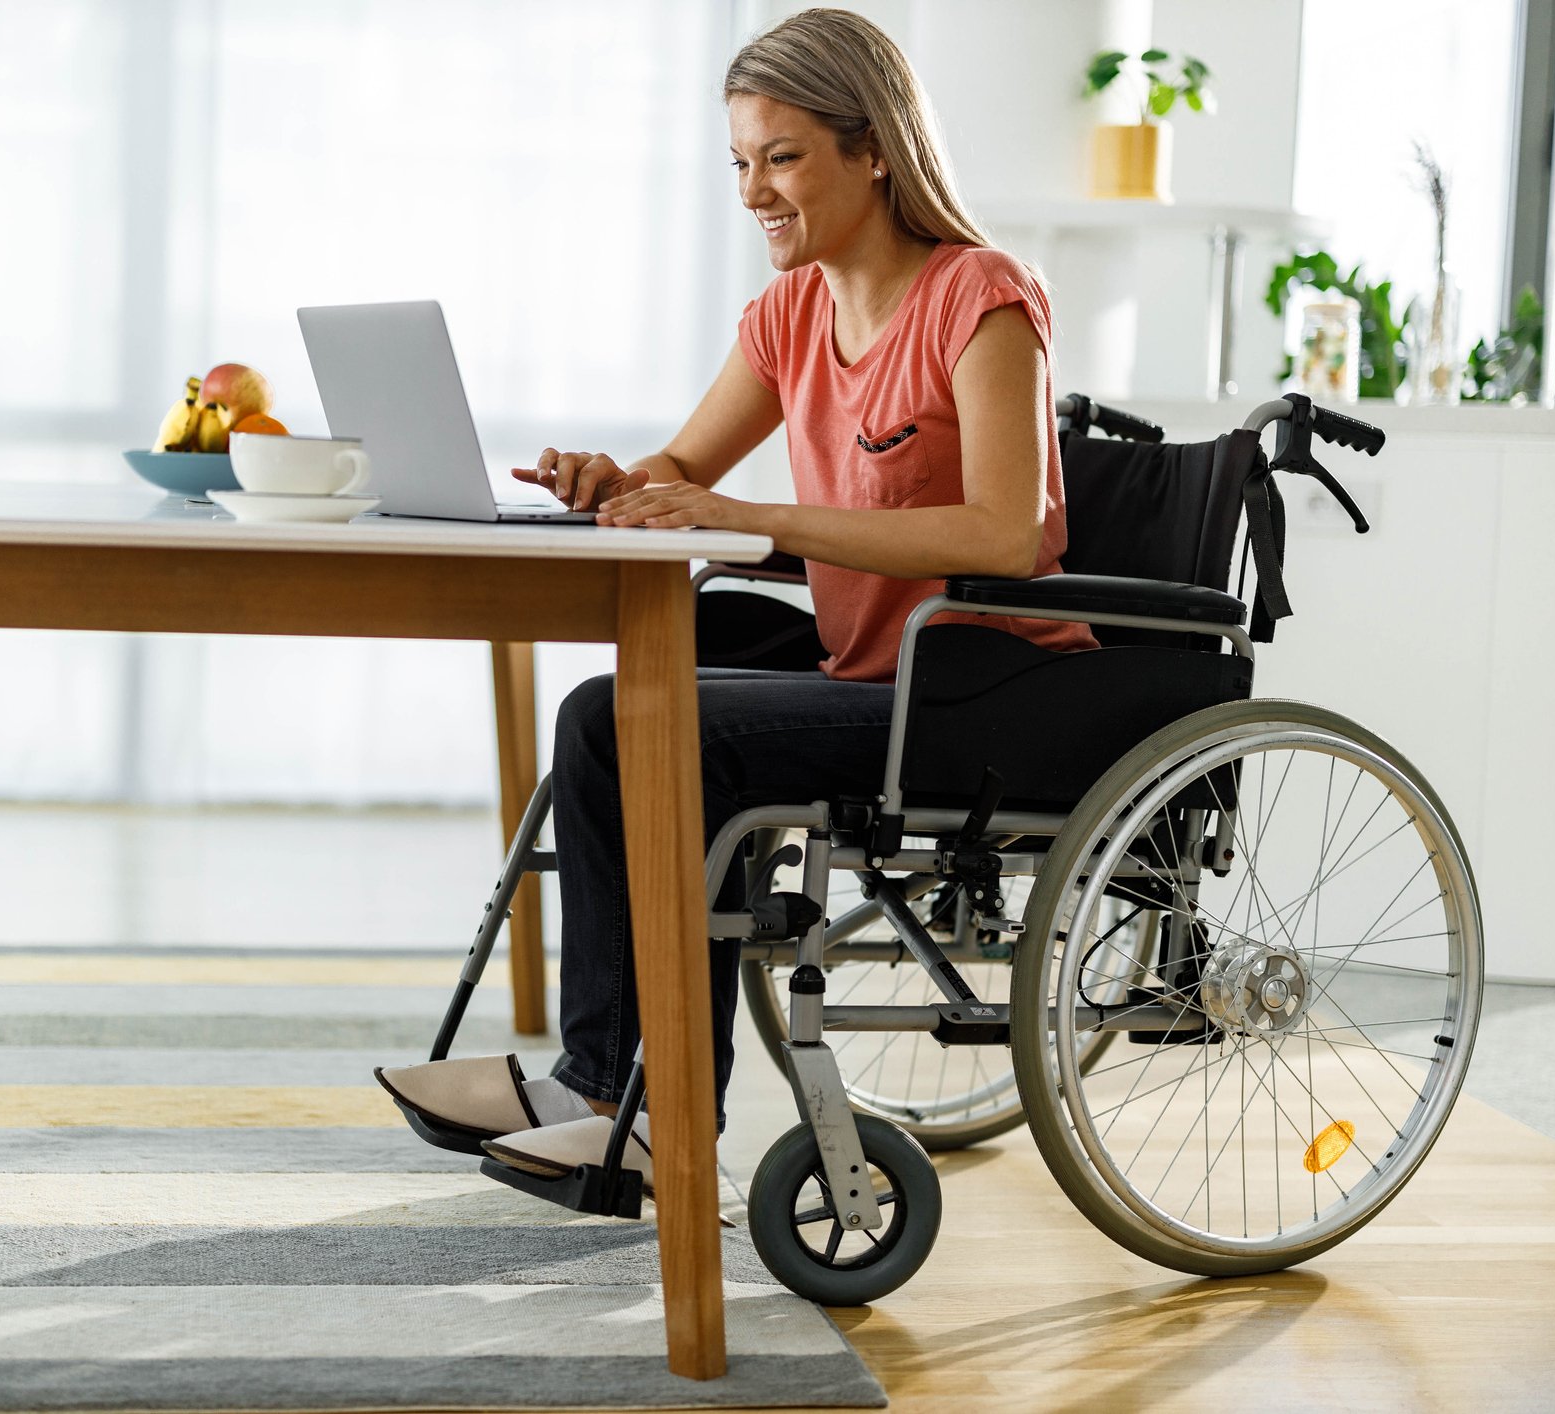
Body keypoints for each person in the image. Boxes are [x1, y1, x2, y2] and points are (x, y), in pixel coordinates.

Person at [375, 7, 1094, 1187]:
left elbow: (1008, 534)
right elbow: (685, 468)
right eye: (741, 163)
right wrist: (615, 481)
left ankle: (652, 1114)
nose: (756, 190)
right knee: (607, 715)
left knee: (661, 727)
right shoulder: (792, 310)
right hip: (875, 675)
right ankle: (601, 1076)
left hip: (987, 693)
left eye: (784, 157)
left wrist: (752, 517)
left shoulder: (982, 299)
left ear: (875, 150)